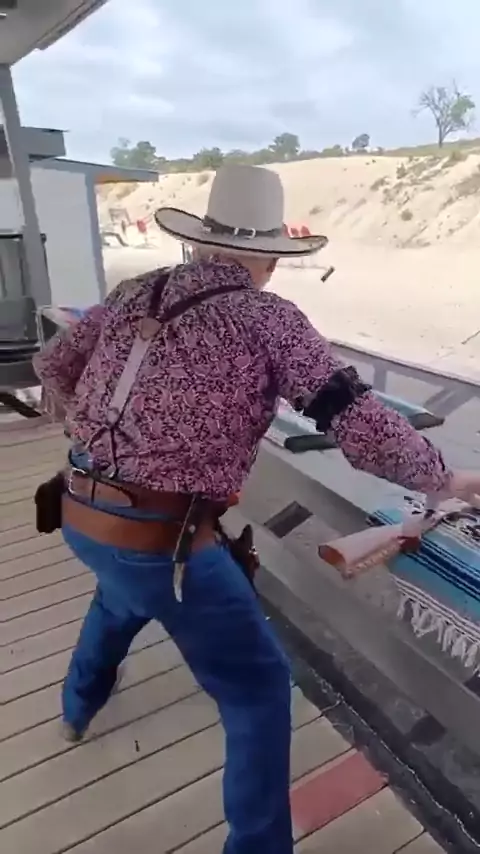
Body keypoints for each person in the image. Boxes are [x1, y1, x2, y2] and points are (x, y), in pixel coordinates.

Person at [33, 164, 480, 854]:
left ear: (201, 242)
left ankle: (76, 709)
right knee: (259, 690)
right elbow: (358, 424)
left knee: (119, 598)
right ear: (269, 259)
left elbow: (53, 364)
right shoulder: (270, 319)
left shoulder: (135, 290)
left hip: (79, 508)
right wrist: (444, 478)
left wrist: (95, 434)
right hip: (163, 543)